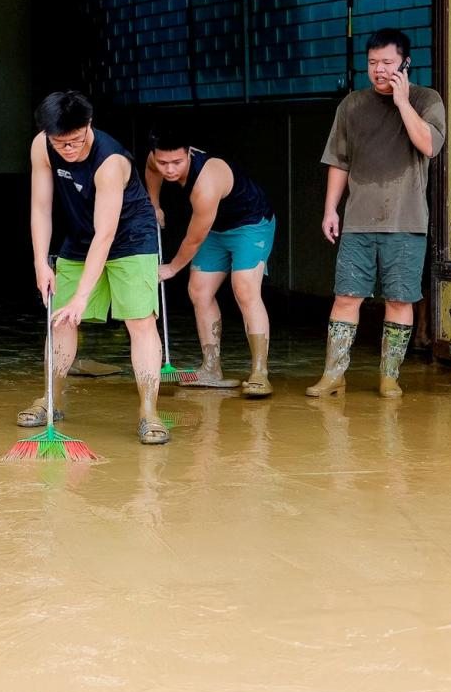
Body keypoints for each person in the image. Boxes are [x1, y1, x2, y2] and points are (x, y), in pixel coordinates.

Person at [24, 91, 169, 445]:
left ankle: (149, 412)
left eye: (75, 140)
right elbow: (41, 207)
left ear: (89, 125)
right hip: (80, 234)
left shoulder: (110, 161)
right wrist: (41, 262)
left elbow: (106, 235)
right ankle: (51, 399)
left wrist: (82, 297)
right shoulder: (42, 147)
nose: (68, 149)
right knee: (61, 319)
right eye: (60, 143)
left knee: (140, 320)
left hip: (130, 237)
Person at [308, 28, 446, 399]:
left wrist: (402, 102)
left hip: (406, 221)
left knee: (399, 299)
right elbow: (339, 160)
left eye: (387, 62)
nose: (379, 70)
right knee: (346, 296)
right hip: (358, 221)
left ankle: (389, 377)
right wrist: (330, 210)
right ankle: (333, 375)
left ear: (405, 63)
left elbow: (429, 145)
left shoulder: (426, 99)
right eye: (372, 63)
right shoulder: (351, 105)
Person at [144, 131, 276, 398]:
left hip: (250, 224)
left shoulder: (206, 182)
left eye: (177, 162)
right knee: (199, 291)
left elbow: (193, 239)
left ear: (189, 153)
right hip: (216, 228)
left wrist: (171, 268)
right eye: (163, 163)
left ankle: (260, 373)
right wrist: (154, 204)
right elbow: (151, 170)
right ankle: (211, 368)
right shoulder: (156, 159)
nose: (169, 170)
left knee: (245, 289)